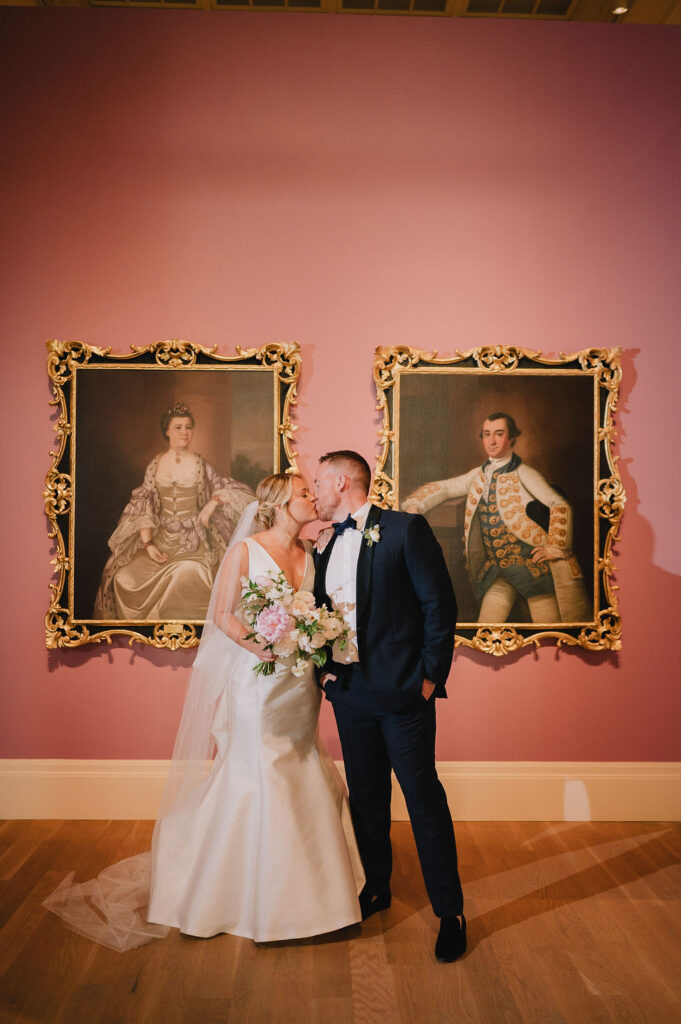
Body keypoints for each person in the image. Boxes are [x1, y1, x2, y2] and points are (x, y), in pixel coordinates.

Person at [45, 473, 365, 949]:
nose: (312, 497)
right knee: (262, 771)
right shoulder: (245, 552)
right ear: (279, 502)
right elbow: (221, 614)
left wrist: (311, 641)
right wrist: (262, 647)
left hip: (298, 687)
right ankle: (254, 898)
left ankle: (314, 893)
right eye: (303, 493)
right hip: (257, 684)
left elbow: (317, 612)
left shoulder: (311, 553)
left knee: (301, 763)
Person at [313, 450, 466, 964]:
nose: (314, 492)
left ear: (342, 481)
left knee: (423, 798)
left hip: (404, 695)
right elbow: (316, 611)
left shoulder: (404, 530)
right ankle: (377, 887)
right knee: (367, 798)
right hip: (350, 695)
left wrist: (428, 679)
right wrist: (324, 671)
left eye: (319, 482)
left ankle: (450, 912)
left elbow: (439, 606)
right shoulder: (324, 542)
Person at [401, 412, 592, 624]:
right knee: (487, 627)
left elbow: (559, 504)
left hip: (533, 568)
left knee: (548, 630)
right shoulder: (480, 474)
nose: (491, 441)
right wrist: (415, 503)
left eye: (498, 434)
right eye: (486, 434)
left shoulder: (525, 472)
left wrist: (555, 546)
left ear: (511, 439)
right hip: (498, 570)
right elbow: (447, 487)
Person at [94, 402, 254, 620]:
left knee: (191, 572)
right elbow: (145, 503)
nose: (184, 433)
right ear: (167, 431)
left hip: (195, 539)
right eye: (178, 427)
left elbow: (222, 487)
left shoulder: (200, 463)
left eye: (188, 427)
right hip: (160, 539)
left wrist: (212, 502)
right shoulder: (155, 464)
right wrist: (148, 545)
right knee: (122, 577)